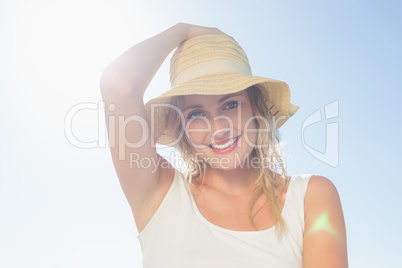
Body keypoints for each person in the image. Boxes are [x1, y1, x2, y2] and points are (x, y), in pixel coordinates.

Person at [100, 23, 348, 267]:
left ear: (255, 106)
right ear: (182, 127)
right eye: (196, 114)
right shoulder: (158, 194)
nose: (218, 129)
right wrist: (181, 30)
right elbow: (117, 84)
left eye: (230, 104)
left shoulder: (310, 197)